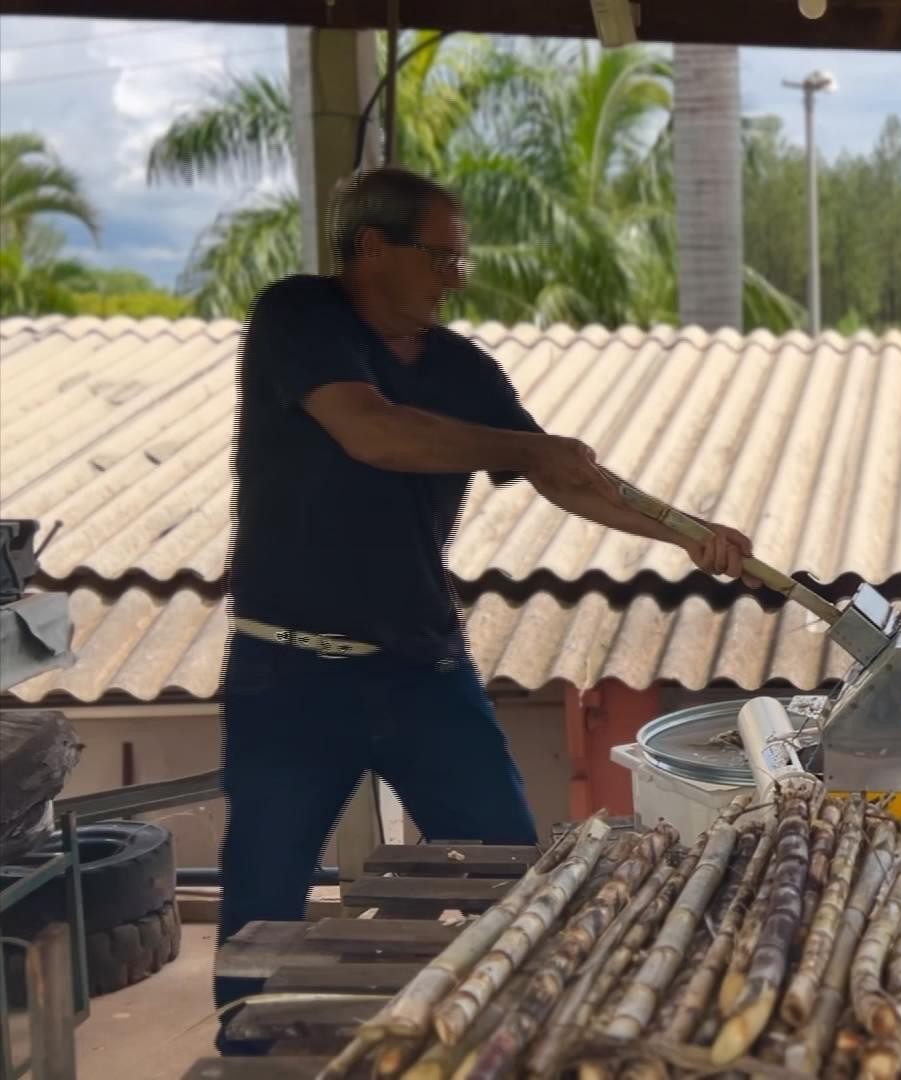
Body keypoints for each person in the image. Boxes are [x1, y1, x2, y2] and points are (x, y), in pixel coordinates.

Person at [213, 167, 757, 1051]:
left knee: (513, 872)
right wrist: (523, 445)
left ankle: (511, 1045)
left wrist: (690, 534)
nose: (456, 277)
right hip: (291, 672)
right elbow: (374, 431)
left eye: (459, 258)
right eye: (439, 255)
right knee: (264, 894)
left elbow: (563, 474)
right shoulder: (301, 317)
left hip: (423, 670)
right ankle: (244, 1053)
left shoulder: (462, 369)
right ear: (372, 247)